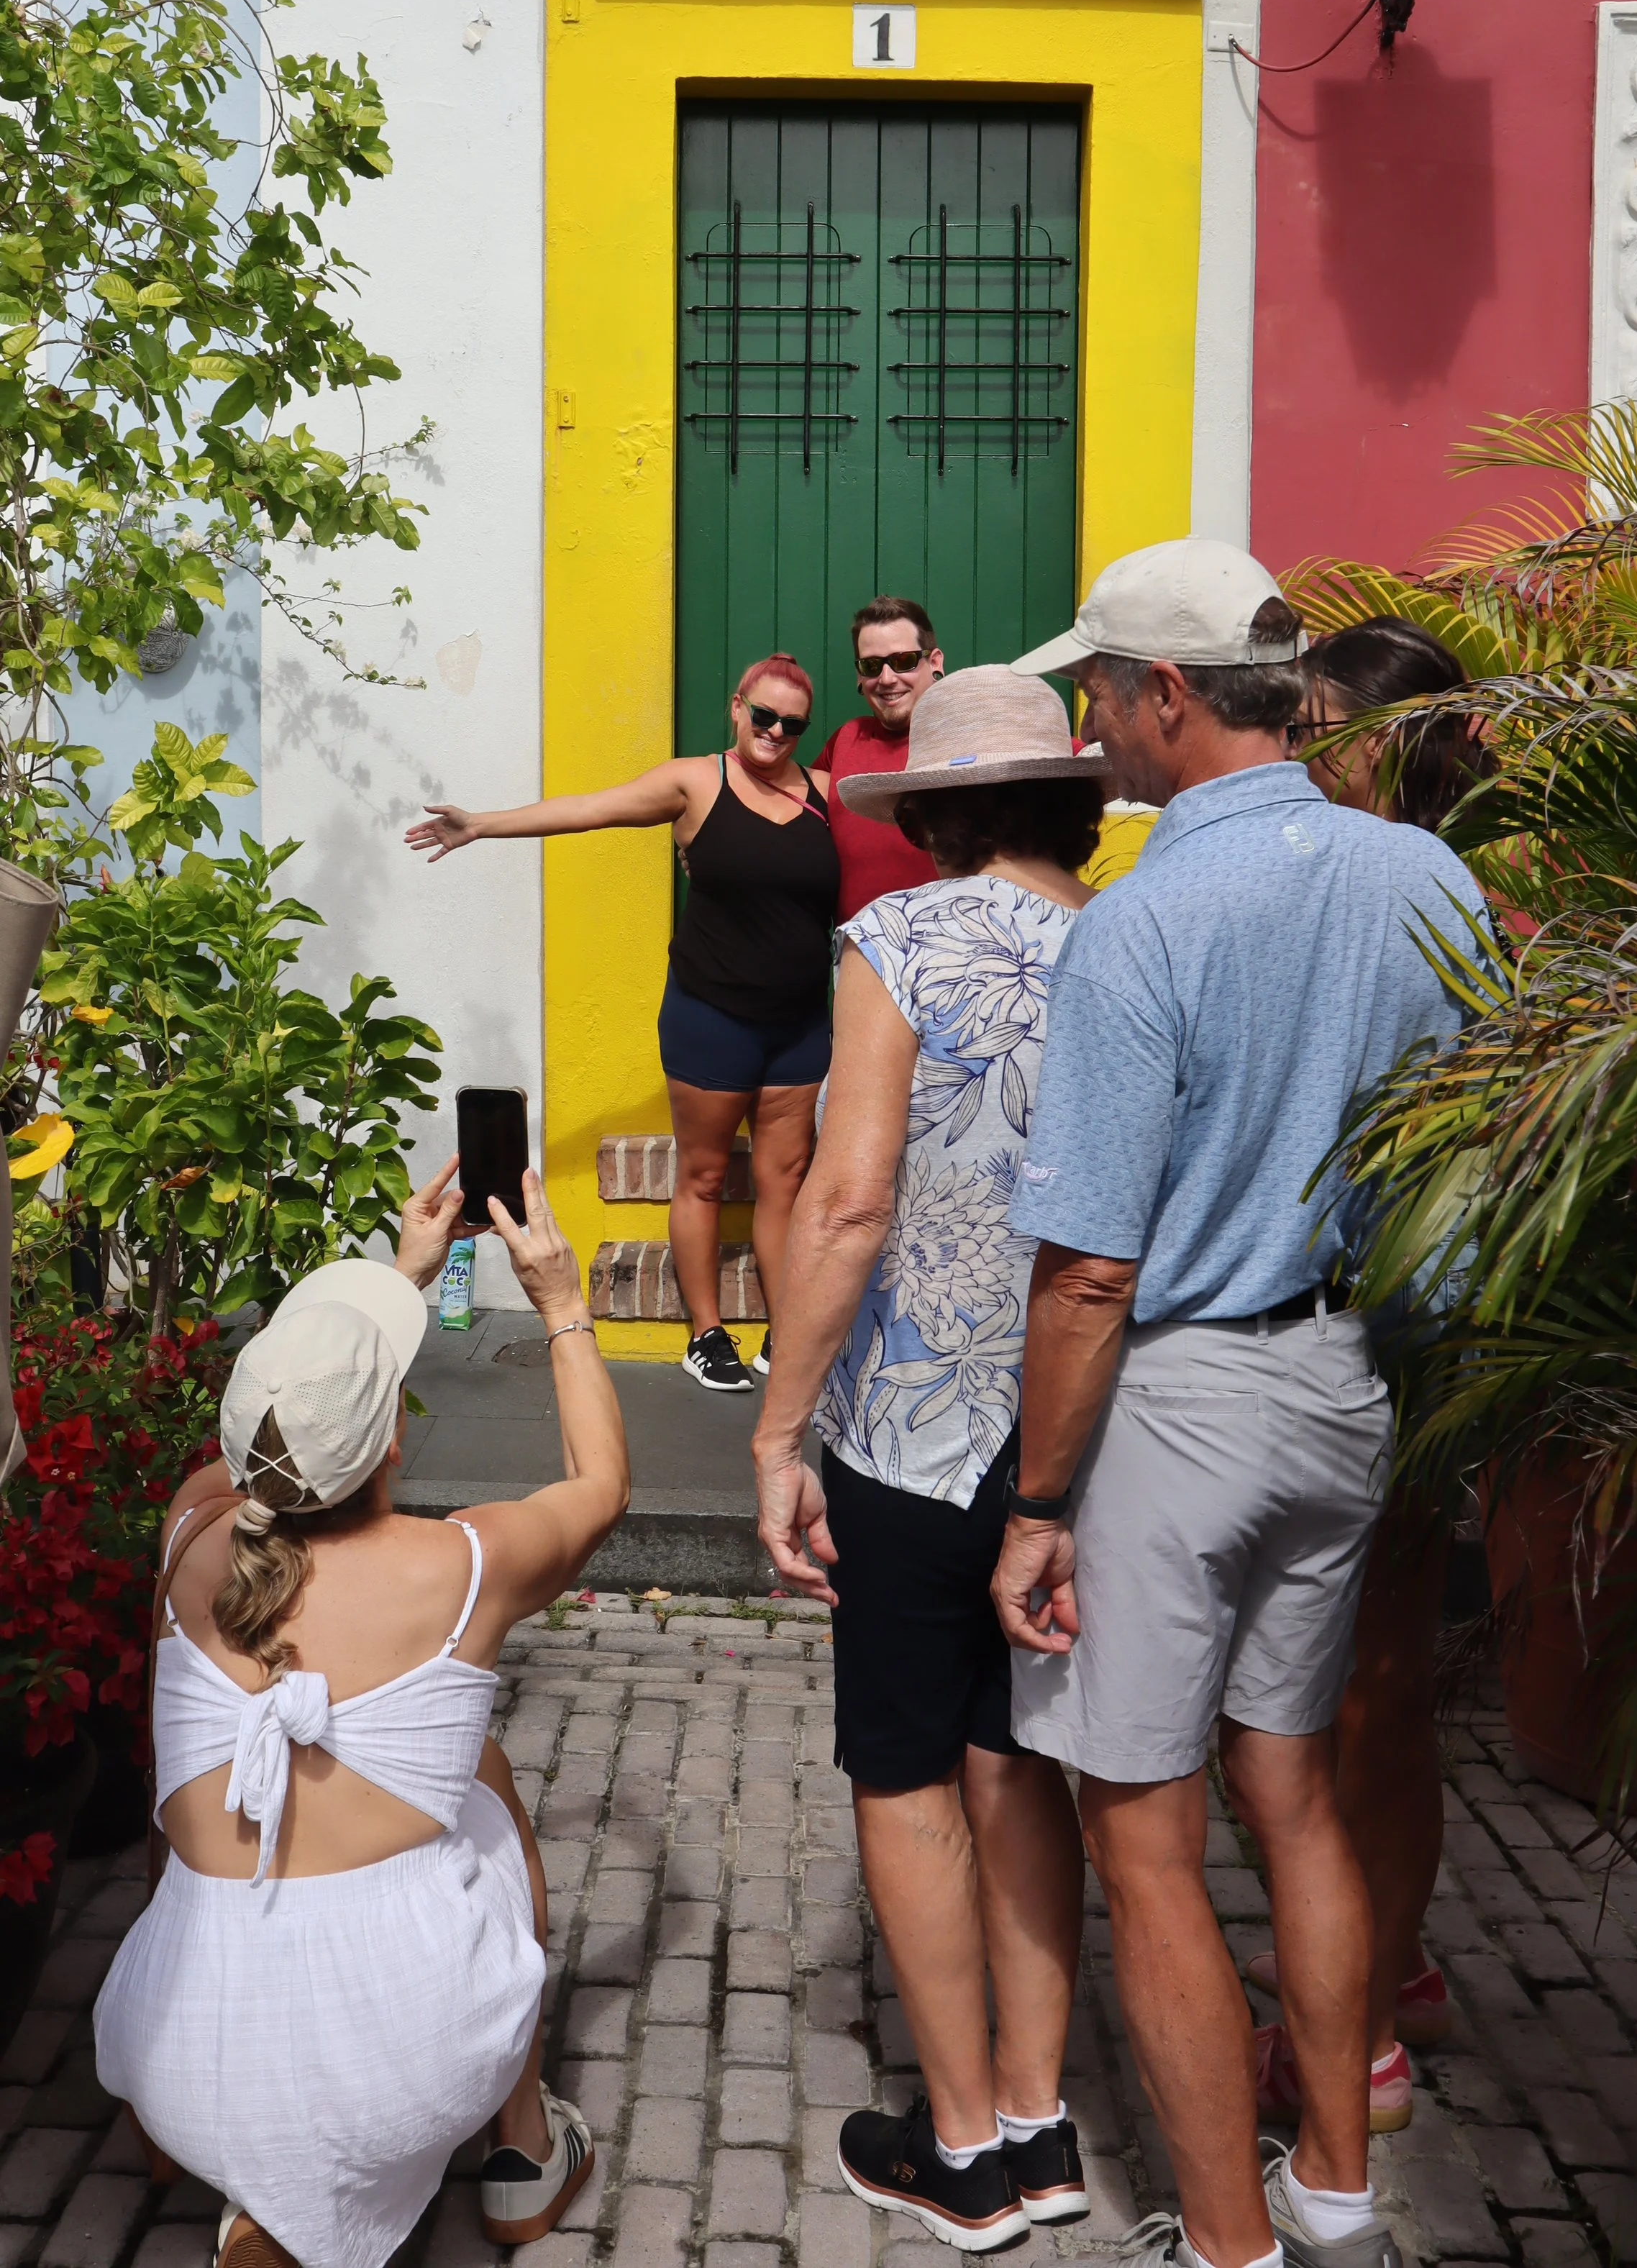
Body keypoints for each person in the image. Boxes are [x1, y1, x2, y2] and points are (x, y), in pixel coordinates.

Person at [987, 537, 1484, 2268]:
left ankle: (1224, 2244)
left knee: (1145, 1840)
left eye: (1096, 688)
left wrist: (1034, 1504)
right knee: (1295, 1790)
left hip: (1180, 1399)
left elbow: (1086, 1273)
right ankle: (1334, 2195)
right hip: (1346, 1379)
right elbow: (1468, 1172)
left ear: (1166, 695)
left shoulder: (1141, 922)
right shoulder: (1427, 880)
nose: (1088, 722)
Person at [93, 1159, 630, 2268]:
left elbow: (284, 1453)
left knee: (213, 1773)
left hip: (167, 2038)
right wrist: (562, 1305)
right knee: (479, 1775)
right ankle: (523, 2150)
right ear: (391, 1440)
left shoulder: (191, 1529)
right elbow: (601, 1484)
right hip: (406, 2060)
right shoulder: (462, 1565)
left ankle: (223, 2169)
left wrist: (397, 1279)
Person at [754, 668, 1107, 2251]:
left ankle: (959, 2146)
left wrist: (778, 1426)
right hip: (1070, 1430)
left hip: (912, 1421)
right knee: (1016, 1754)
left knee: (903, 1766)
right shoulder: (1130, 939)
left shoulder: (897, 939)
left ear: (941, 813)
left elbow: (847, 1200)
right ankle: (1038, 2121)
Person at [1248, 615, 1494, 2133]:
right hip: (1421, 1323)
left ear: (1371, 741)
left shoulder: (1393, 884)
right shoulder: (1444, 881)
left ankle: (1355, 2037)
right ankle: (1390, 1970)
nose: (1292, 749)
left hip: (1380, 1322)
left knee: (1343, 1701)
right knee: (1374, 1685)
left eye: (1312, 725)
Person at [406, 654, 839, 1393]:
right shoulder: (697, 782)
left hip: (799, 1027)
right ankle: (707, 1334)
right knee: (703, 1176)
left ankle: (788, 1329)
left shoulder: (826, 795)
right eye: (763, 715)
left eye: (791, 724)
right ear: (737, 707)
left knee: (785, 1181)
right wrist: (481, 824)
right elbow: (589, 809)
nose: (774, 732)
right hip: (712, 1019)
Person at [813, 595, 946, 920]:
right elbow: (782, 803)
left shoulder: (976, 735)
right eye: (871, 666)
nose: (886, 679)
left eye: (903, 661)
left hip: (953, 947)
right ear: (859, 676)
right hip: (855, 948)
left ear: (935, 662)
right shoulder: (845, 741)